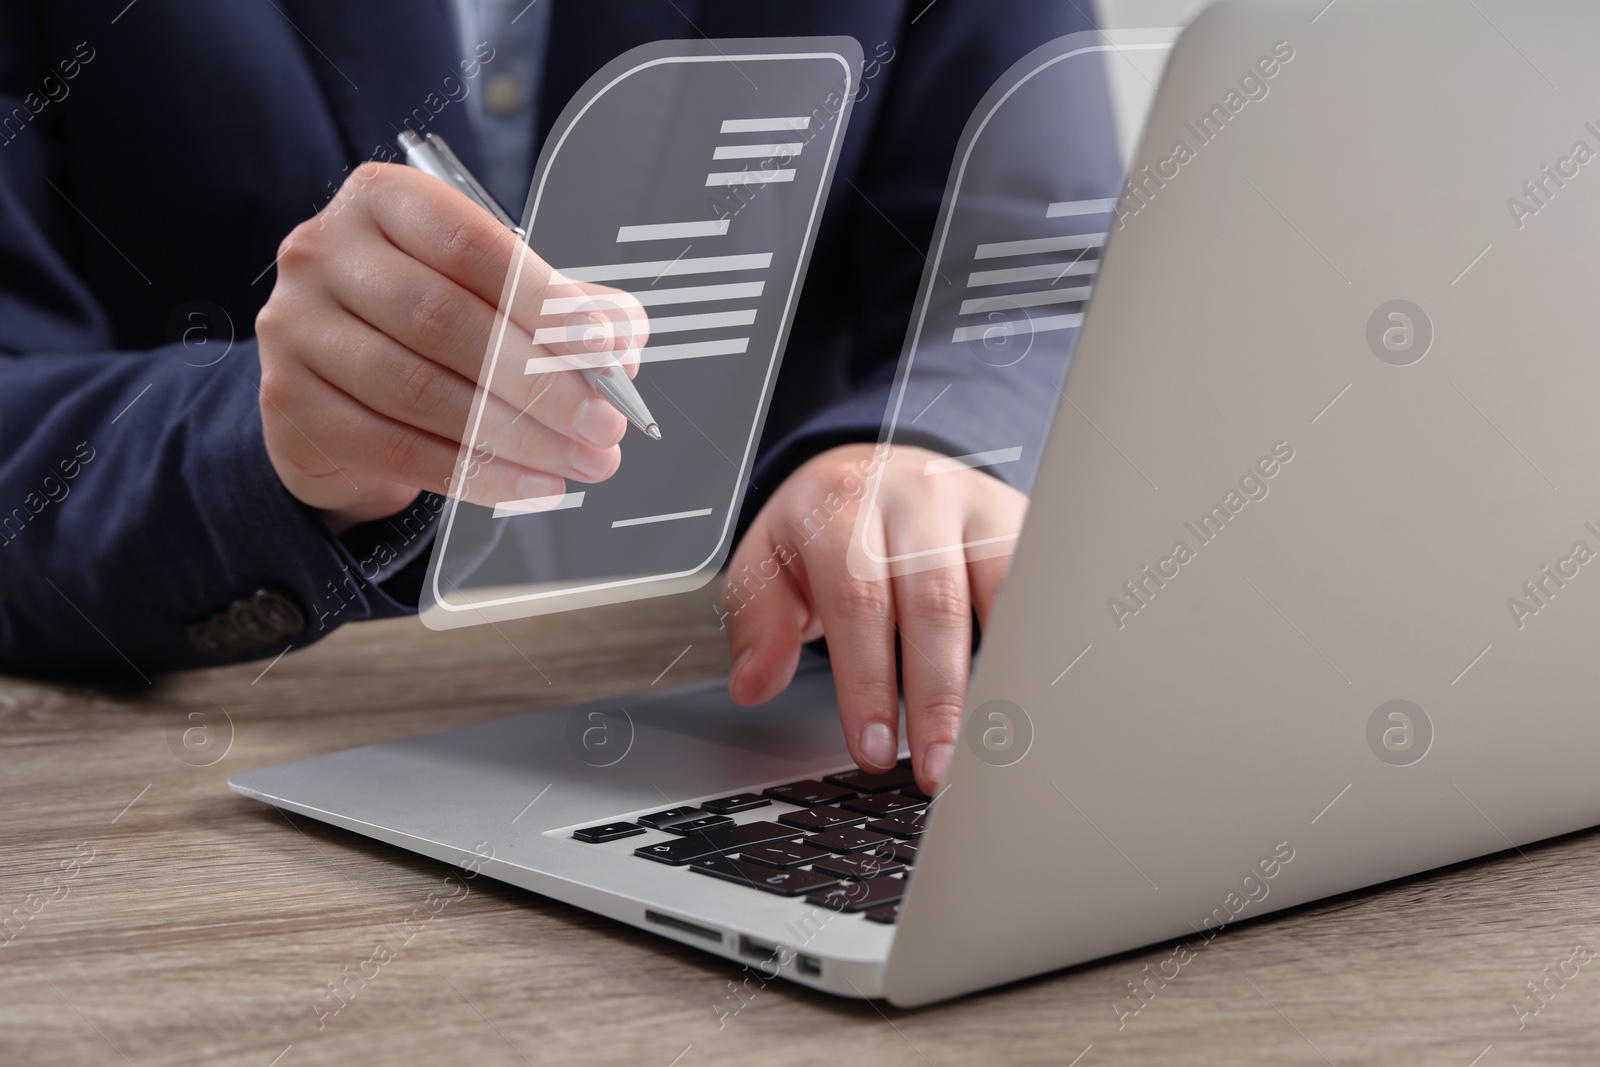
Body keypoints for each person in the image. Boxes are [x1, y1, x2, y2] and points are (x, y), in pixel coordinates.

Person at [0, 1, 1116, 793]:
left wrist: (923, 445)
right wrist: (258, 443)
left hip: (747, 716)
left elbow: (1038, 277)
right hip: (200, 774)